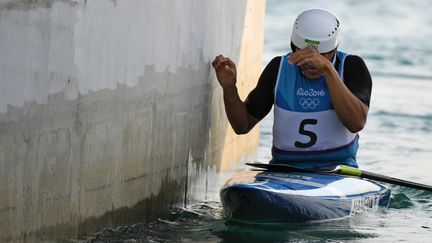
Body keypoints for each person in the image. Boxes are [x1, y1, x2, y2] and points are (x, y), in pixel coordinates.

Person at [211, 9, 372, 169]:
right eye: (302, 54)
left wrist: (328, 70)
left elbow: (356, 123)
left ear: (334, 50)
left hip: (338, 170)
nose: (311, 63)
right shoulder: (278, 68)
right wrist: (229, 87)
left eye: (321, 56)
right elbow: (242, 125)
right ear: (293, 47)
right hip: (284, 169)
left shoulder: (352, 66)